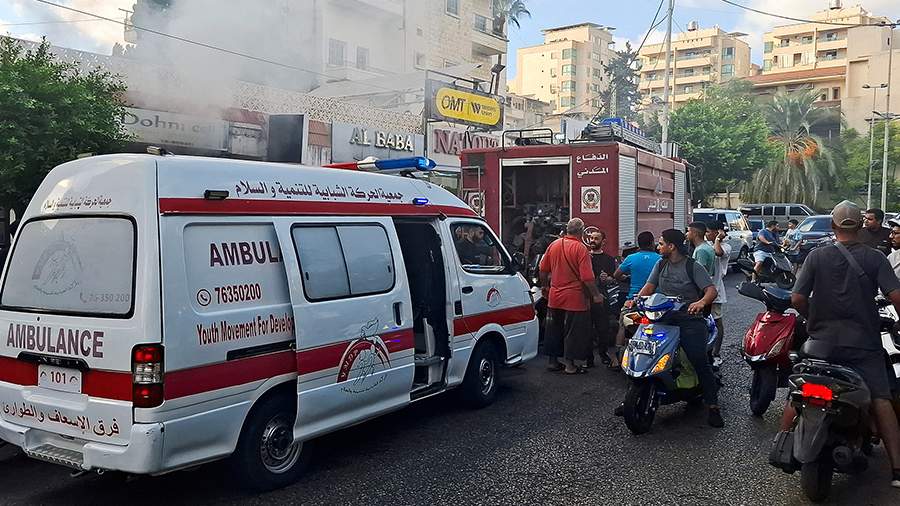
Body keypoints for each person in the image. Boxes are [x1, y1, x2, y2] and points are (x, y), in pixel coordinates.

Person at [786, 200, 900, 489]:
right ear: (861, 226)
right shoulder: (875, 258)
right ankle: (897, 469)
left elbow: (797, 299)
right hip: (863, 344)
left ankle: (784, 445)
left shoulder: (815, 256)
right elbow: (896, 297)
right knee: (880, 398)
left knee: (798, 391)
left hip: (821, 343)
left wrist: (814, 319)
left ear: (833, 226)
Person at [633, 229, 723, 428]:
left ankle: (713, 407)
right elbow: (649, 286)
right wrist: (635, 300)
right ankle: (635, 395)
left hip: (689, 319)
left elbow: (711, 291)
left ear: (671, 246)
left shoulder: (693, 266)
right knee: (641, 347)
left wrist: (700, 302)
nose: (659, 246)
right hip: (663, 318)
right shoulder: (661, 263)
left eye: (661, 243)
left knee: (697, 358)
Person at [539, 218, 604, 374]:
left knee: (553, 330)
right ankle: (570, 365)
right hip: (574, 297)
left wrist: (545, 287)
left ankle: (553, 362)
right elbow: (587, 277)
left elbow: (543, 268)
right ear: (581, 231)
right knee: (573, 331)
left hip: (555, 296)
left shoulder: (554, 245)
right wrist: (596, 295)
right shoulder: (580, 249)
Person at [612, 232, 661, 361]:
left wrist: (627, 278)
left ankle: (617, 358)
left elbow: (617, 275)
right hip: (655, 302)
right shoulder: (661, 259)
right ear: (652, 243)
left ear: (639, 244)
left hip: (633, 301)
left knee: (622, 325)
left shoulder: (631, 258)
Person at [588, 231, 617, 368]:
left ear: (603, 241)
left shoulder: (609, 260)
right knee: (586, 328)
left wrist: (608, 279)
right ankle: (588, 358)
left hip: (603, 298)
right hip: (586, 298)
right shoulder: (585, 257)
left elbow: (613, 279)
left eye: (596, 238)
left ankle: (603, 354)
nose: (593, 240)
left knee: (603, 329)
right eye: (591, 238)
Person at [706, 222, 732, 369]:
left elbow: (718, 253)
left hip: (716, 290)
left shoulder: (725, 246)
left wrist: (717, 240)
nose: (707, 234)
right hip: (703, 290)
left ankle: (716, 353)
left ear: (717, 232)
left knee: (716, 322)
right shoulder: (706, 244)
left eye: (709, 231)